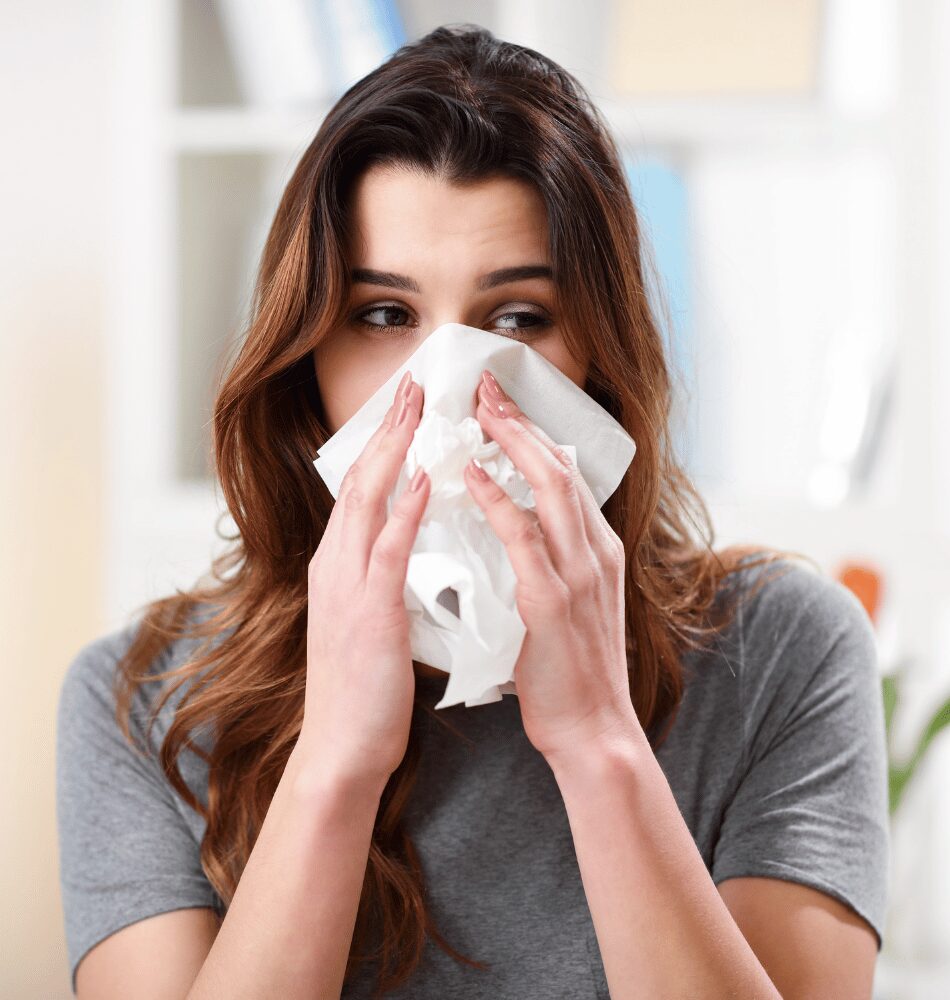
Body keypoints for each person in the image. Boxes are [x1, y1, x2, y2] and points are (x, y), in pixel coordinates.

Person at [56, 24, 889, 1000]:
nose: (445, 389)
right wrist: (335, 761)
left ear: (599, 351)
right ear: (305, 353)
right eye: (384, 315)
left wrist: (598, 743)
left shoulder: (780, 652)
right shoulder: (145, 699)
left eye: (517, 319)